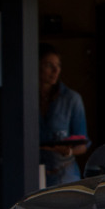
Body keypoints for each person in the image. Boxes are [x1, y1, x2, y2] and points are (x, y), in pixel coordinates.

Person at [37, 43, 90, 186]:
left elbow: (83, 143)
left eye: (58, 66)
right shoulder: (25, 98)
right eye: (49, 65)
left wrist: (69, 151)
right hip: (33, 173)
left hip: (63, 175)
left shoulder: (71, 99)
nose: (55, 70)